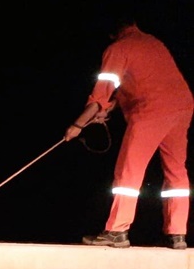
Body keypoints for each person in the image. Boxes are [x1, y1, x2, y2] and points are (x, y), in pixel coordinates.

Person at [64, 14, 193, 250]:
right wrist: (107, 108)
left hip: (152, 110)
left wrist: (77, 126)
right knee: (176, 171)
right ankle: (177, 235)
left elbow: (100, 95)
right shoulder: (153, 42)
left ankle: (117, 231)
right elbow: (142, 81)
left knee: (129, 170)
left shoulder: (118, 48)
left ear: (110, 32)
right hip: (182, 106)